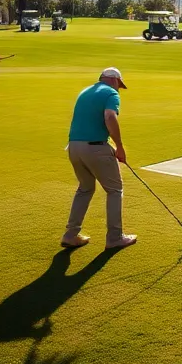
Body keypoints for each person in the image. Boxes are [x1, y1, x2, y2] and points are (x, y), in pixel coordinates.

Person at [62, 67, 136, 250]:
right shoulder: (110, 93)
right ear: (114, 80)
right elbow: (109, 117)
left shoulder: (85, 91)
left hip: (74, 147)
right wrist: (119, 147)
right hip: (94, 148)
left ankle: (71, 234)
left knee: (85, 188)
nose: (119, 89)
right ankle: (115, 237)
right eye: (119, 84)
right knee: (114, 190)